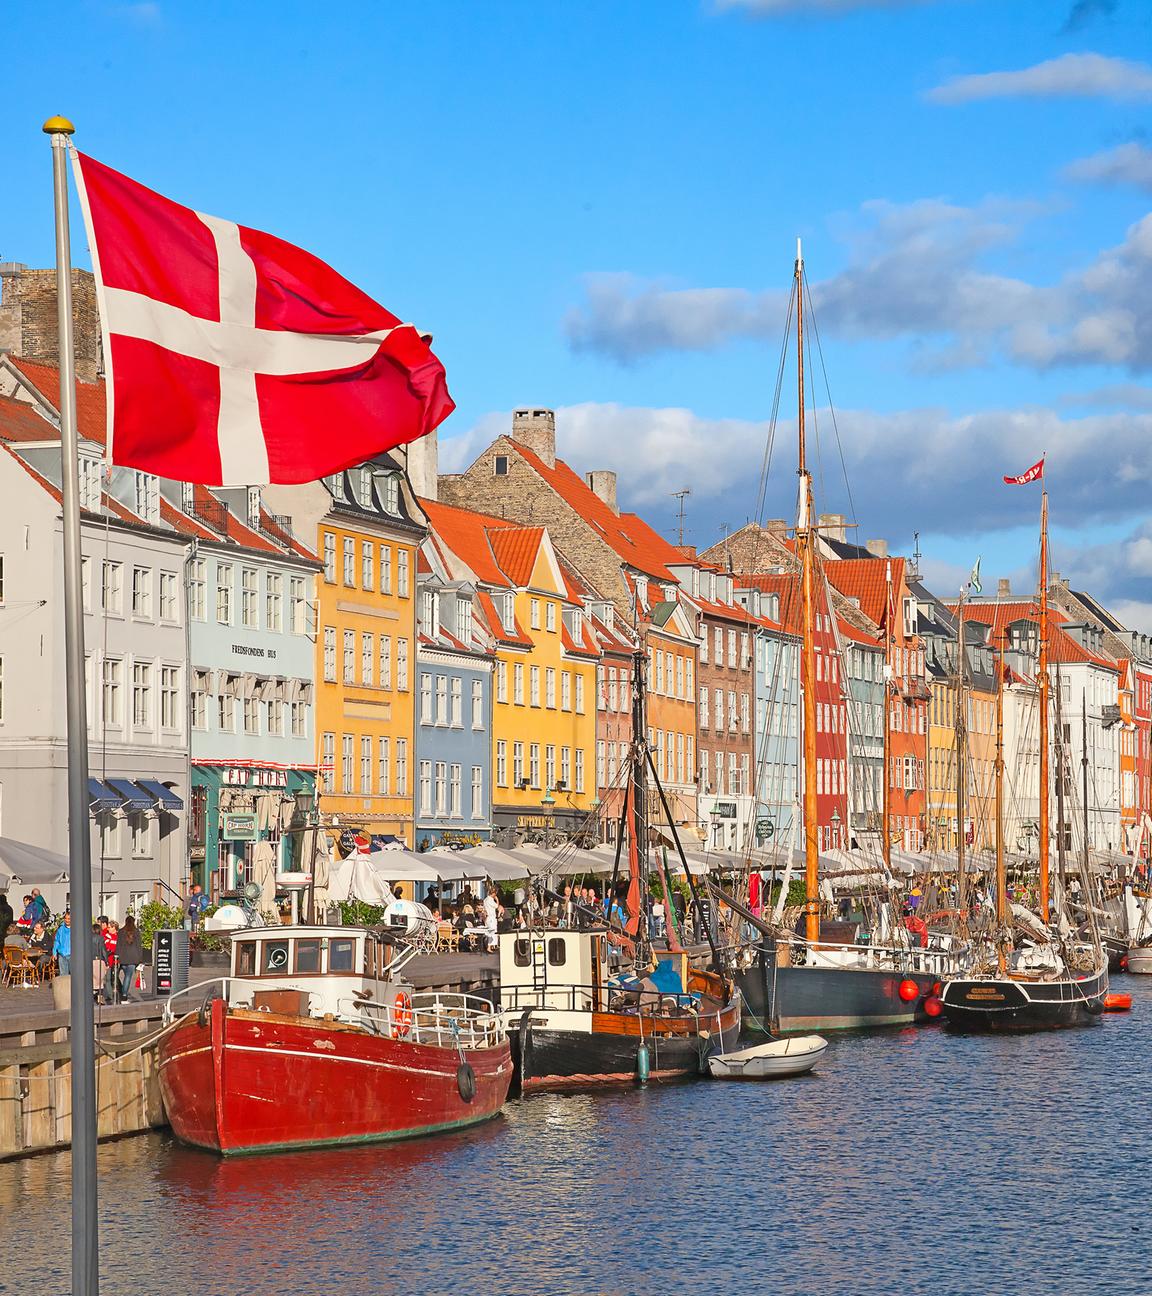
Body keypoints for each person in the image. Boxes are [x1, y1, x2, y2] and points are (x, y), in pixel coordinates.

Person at [116, 915, 144, 1003]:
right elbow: (139, 946)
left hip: (123, 958)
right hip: (133, 958)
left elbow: (118, 945)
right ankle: (124, 996)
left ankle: (123, 994)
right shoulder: (136, 932)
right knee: (128, 977)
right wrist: (140, 958)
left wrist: (117, 956)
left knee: (125, 976)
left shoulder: (120, 932)